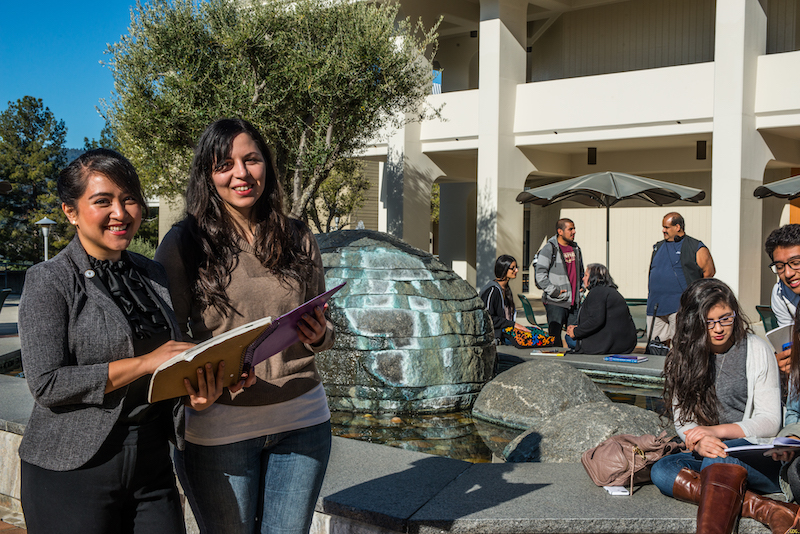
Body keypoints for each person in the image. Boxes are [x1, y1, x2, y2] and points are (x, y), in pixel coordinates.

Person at [17, 149, 225, 534]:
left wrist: (194, 391)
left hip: (151, 461)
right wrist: (145, 363)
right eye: (103, 201)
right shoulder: (51, 279)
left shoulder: (153, 273)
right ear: (70, 212)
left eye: (130, 199)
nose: (121, 212)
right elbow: (47, 383)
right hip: (72, 469)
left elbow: (169, 360)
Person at [154, 118, 335, 534]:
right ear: (208, 174)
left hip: (303, 422)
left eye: (251, 159)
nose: (241, 173)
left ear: (266, 165)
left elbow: (325, 327)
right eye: (225, 164)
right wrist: (195, 385)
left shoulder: (298, 236)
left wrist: (321, 335)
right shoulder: (184, 243)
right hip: (219, 428)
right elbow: (167, 341)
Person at [648, 278, 793, 534]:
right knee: (662, 469)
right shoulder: (682, 356)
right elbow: (683, 420)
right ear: (694, 321)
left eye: (726, 318)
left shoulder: (756, 349)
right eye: (709, 322)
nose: (718, 328)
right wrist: (700, 441)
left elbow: (770, 420)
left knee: (717, 460)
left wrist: (714, 432)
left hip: (753, 456)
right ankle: (767, 508)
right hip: (712, 453)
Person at [646, 212, 715, 345]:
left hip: (679, 307)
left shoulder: (695, 246)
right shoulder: (658, 247)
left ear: (678, 227)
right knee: (656, 347)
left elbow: (709, 273)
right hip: (656, 306)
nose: (663, 230)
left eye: (666, 227)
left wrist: (694, 296)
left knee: (681, 345)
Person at [565, 263, 637, 354]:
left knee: (569, 337)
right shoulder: (610, 291)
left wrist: (576, 332)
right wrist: (578, 328)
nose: (583, 278)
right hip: (624, 342)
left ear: (595, 278)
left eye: (586, 275)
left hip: (608, 344)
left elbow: (596, 320)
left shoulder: (597, 292)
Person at [533, 218, 584, 347]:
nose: (574, 231)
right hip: (555, 302)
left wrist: (581, 287)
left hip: (574, 302)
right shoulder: (549, 248)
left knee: (575, 340)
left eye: (574, 228)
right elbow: (540, 275)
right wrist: (554, 291)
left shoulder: (576, 248)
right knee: (554, 341)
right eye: (570, 229)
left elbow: (581, 272)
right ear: (560, 231)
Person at [765, 224, 800, 372]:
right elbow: (790, 341)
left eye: (796, 263)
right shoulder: (780, 293)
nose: (788, 273)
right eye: (779, 266)